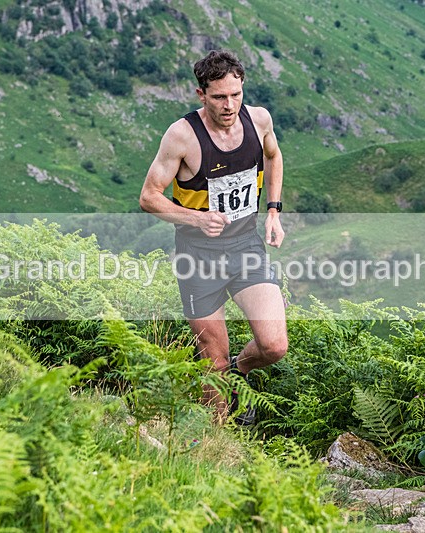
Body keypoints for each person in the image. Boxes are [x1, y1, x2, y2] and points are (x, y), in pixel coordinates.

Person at [139, 49, 288, 424]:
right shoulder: (182, 136)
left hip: (245, 245)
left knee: (274, 345)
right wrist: (195, 219)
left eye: (235, 95)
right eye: (219, 97)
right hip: (198, 255)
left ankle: (241, 370)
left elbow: (273, 156)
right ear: (200, 94)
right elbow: (148, 197)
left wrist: (273, 209)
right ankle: (221, 440)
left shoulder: (259, 120)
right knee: (213, 360)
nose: (229, 105)